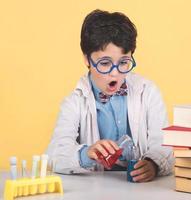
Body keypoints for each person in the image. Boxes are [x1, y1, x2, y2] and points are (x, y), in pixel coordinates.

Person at [47, 9, 173, 182]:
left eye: (123, 62)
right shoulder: (74, 102)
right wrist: (86, 154)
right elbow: (54, 155)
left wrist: (153, 163)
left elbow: (165, 144)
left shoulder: (148, 92)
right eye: (105, 63)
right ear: (87, 60)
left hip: (142, 190)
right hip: (95, 189)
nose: (115, 74)